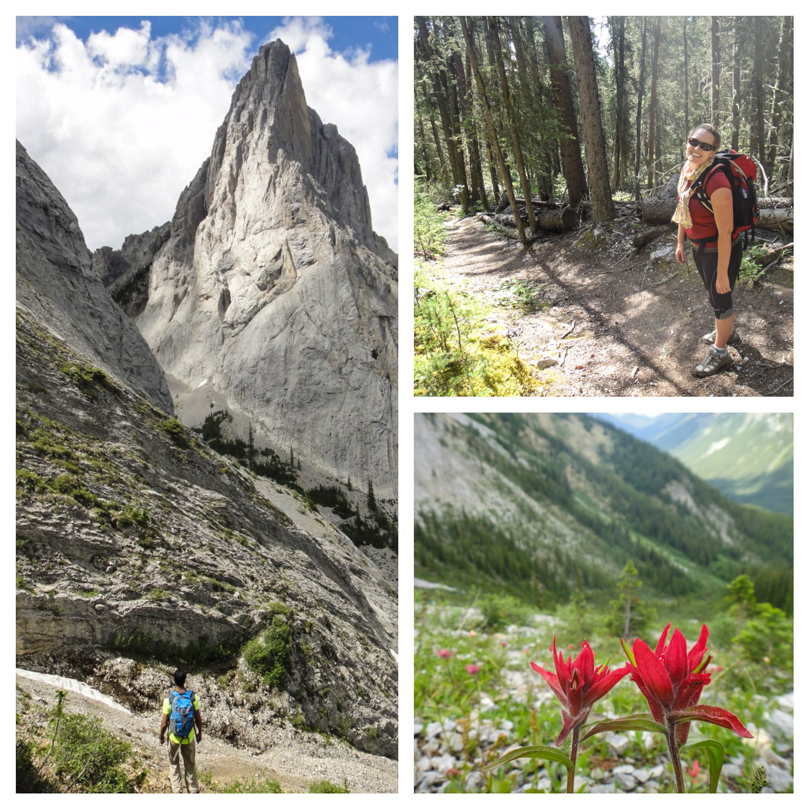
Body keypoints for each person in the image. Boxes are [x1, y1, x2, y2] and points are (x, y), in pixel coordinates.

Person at [673, 123, 742, 378]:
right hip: (699, 248)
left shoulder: (717, 180)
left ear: (713, 152)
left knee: (721, 300)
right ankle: (729, 332)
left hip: (720, 251)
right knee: (714, 298)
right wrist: (681, 242)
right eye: (694, 141)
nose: (697, 148)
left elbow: (726, 232)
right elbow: (683, 208)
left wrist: (723, 273)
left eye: (705, 146)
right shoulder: (688, 169)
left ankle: (721, 352)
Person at [159, 668, 203, 794]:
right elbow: (198, 718)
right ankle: (193, 790)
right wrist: (199, 732)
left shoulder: (169, 698)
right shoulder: (193, 697)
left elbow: (163, 723)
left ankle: (177, 791)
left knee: (174, 764)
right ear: (185, 680)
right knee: (190, 764)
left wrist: (161, 736)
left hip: (173, 737)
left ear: (174, 680)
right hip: (189, 736)